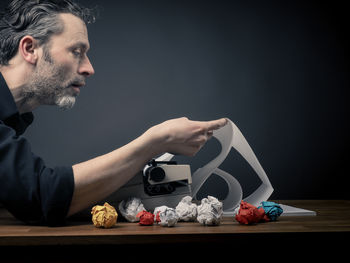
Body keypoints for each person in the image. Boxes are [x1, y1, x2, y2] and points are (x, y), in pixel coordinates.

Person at [0, 0, 227, 226]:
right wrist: (155, 142)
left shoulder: (11, 122)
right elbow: (39, 197)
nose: (89, 68)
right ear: (30, 49)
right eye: (76, 51)